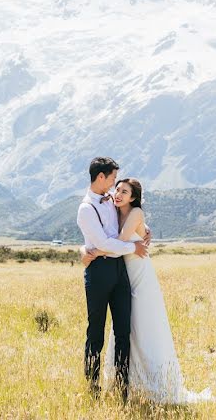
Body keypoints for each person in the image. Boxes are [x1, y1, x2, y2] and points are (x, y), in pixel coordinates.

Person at [82, 178, 213, 404]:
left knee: (143, 326)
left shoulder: (134, 213)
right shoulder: (112, 209)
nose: (118, 194)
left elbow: (118, 244)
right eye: (117, 189)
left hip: (139, 275)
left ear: (133, 197)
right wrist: (84, 247)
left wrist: (91, 252)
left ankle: (156, 383)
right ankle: (127, 383)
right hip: (122, 275)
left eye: (124, 191)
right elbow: (103, 236)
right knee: (124, 328)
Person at [75, 157, 149, 402]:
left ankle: (122, 386)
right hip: (98, 273)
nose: (115, 184)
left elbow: (132, 220)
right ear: (101, 177)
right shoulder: (86, 208)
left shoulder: (111, 200)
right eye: (113, 178)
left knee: (123, 330)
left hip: (119, 270)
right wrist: (133, 248)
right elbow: (102, 243)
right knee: (95, 331)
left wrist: (144, 234)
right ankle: (93, 386)